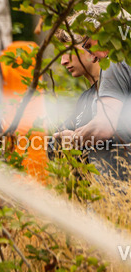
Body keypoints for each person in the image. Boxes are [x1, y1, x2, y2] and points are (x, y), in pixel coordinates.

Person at [52, 4, 131, 179]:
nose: (93, 56)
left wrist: (73, 139)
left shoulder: (116, 61)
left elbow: (104, 126)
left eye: (89, 45)